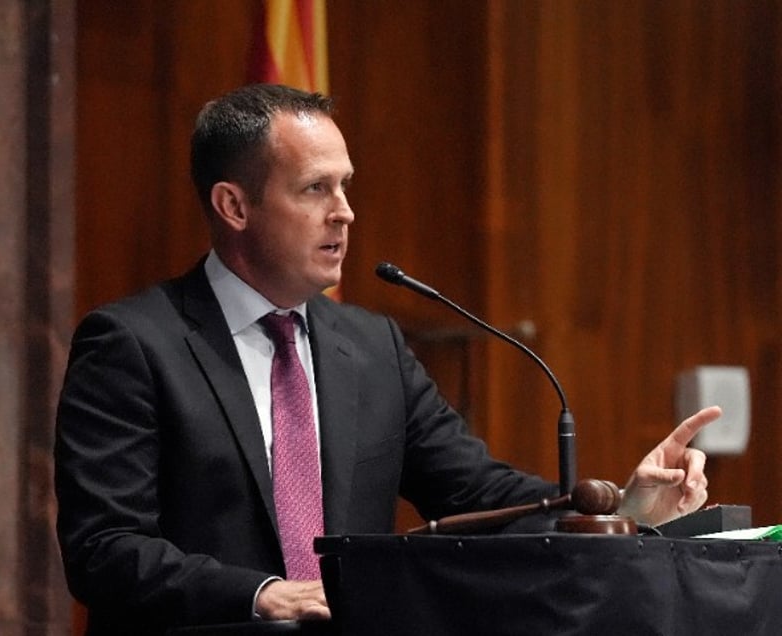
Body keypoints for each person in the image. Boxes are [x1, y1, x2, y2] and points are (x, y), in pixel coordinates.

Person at [54, 83, 720, 635]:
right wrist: (264, 594)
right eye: (315, 189)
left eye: (345, 187)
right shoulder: (133, 343)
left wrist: (618, 510)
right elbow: (105, 550)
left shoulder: (371, 347)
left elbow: (478, 494)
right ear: (234, 205)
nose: (344, 213)